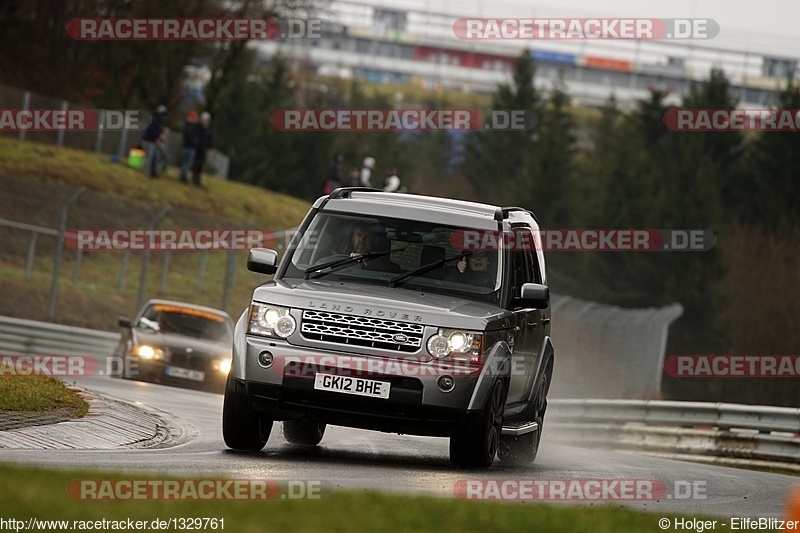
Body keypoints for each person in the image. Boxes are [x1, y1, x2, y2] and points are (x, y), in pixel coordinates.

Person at [141, 105, 168, 178]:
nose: (164, 117)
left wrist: (161, 134)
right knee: (149, 157)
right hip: (148, 141)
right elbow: (152, 130)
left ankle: (153, 172)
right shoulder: (154, 119)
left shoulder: (157, 120)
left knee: (154, 157)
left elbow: (157, 130)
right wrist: (158, 137)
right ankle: (145, 173)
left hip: (152, 141)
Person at [191, 112, 213, 187]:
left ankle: (198, 179)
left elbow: (210, 139)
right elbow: (196, 138)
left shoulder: (208, 128)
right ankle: (194, 178)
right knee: (196, 163)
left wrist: (209, 148)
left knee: (200, 164)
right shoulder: (198, 127)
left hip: (203, 149)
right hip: (198, 149)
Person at [180, 111, 200, 183]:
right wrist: (195, 143)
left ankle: (182, 175)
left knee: (185, 162)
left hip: (186, 146)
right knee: (188, 163)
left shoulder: (186, 126)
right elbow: (191, 138)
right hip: (190, 147)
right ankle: (183, 176)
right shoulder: (192, 128)